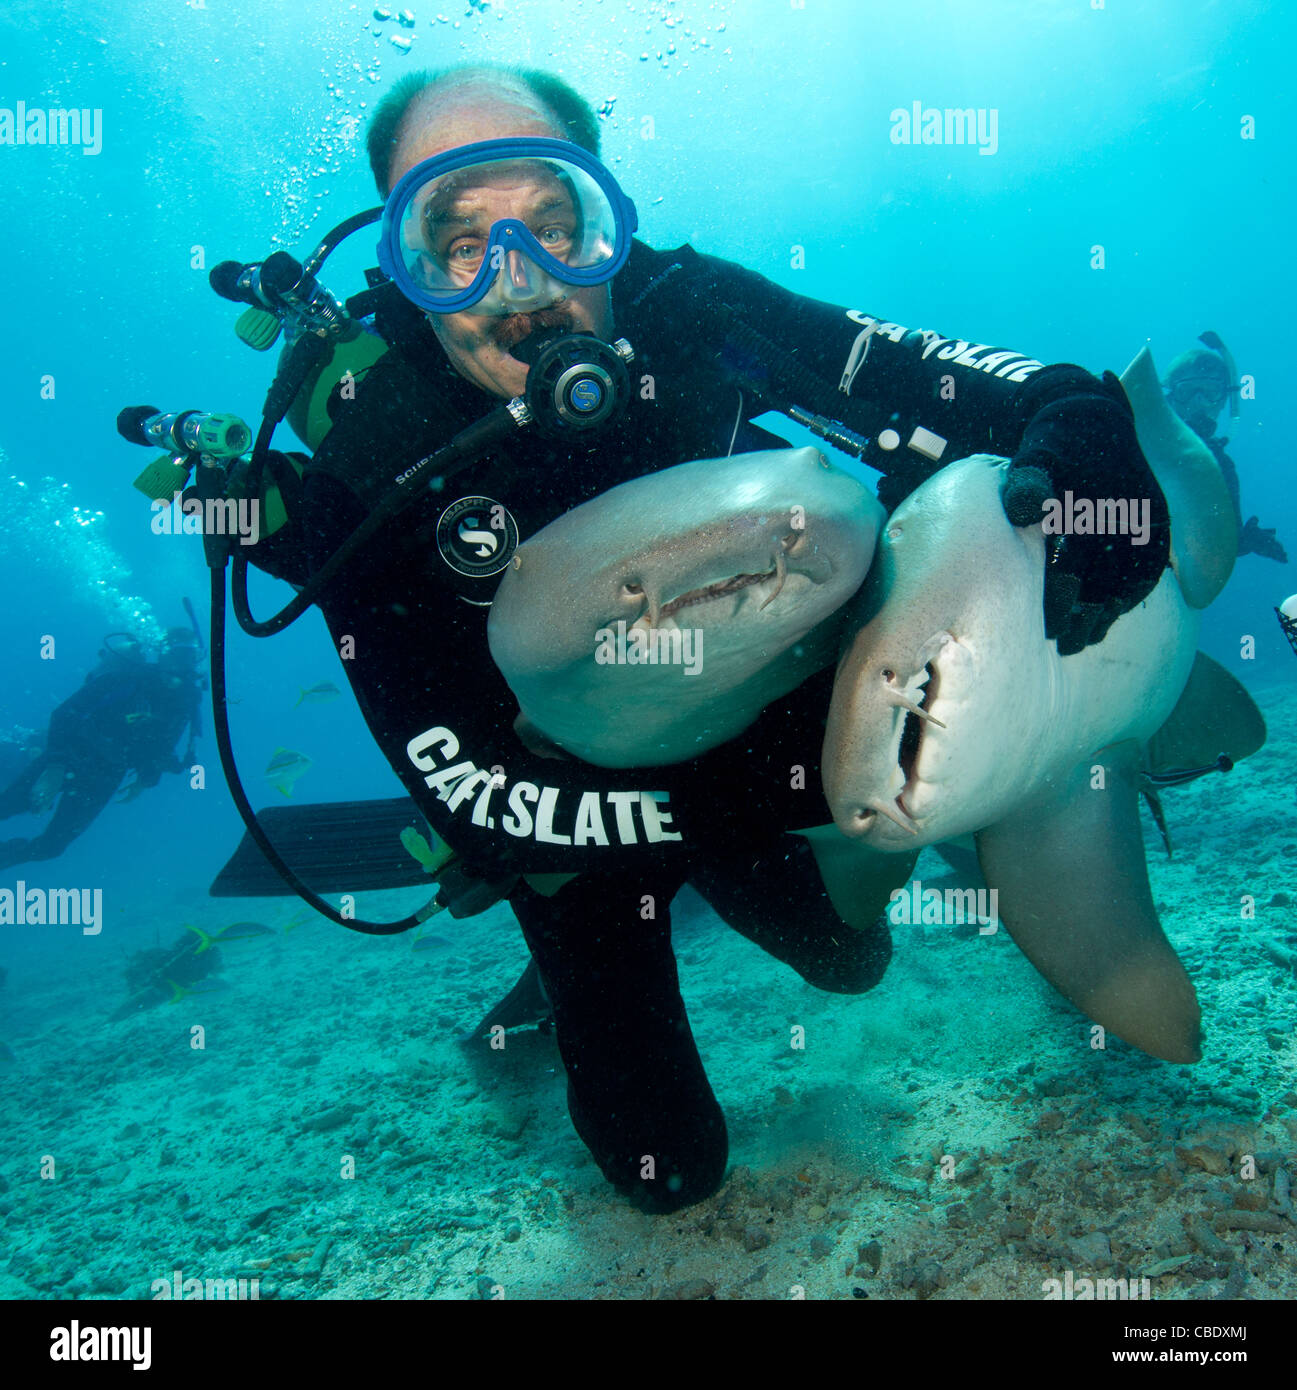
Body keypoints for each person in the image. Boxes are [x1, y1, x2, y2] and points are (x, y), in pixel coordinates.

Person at [245, 64, 1173, 1213]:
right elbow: (460, 793)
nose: (519, 280)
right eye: (457, 242)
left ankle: (863, 852)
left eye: (552, 222)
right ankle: (569, 967)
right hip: (550, 808)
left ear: (607, 218)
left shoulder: (688, 310)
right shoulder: (368, 447)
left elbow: (956, 381)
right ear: (399, 265)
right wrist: (717, 811)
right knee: (667, 1171)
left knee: (851, 961)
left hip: (744, 727)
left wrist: (1078, 421)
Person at [0, 628, 204, 871]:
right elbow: (65, 714)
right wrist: (54, 768)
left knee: (51, 847)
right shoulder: (128, 678)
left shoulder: (187, 698)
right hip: (72, 757)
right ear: (161, 654)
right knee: (5, 807)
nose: (181, 664)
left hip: (106, 775)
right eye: (176, 655)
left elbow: (164, 744)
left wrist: (147, 777)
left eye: (189, 657)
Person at [1163, 339, 1286, 562]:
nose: (1199, 402)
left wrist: (1243, 540)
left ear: (1222, 403)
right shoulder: (1135, 438)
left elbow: (1219, 542)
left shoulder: (1221, 467)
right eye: (1188, 391)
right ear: (1170, 397)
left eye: (1211, 392)